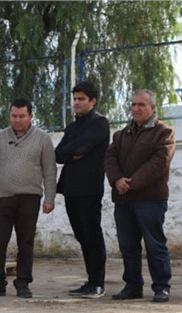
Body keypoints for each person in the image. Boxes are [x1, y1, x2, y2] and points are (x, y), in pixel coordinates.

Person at [104, 89, 175, 302]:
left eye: (141, 105)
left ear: (153, 108)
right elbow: (110, 158)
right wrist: (117, 180)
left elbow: (159, 163)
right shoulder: (121, 134)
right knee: (128, 245)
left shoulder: (164, 132)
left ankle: (161, 286)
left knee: (155, 244)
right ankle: (133, 285)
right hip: (124, 200)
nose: (135, 109)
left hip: (150, 199)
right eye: (133, 104)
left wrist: (131, 183)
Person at [0, 98, 57, 298]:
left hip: (29, 198)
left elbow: (50, 170)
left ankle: (23, 283)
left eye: (22, 116)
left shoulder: (43, 139)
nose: (18, 120)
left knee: (26, 242)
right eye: (14, 116)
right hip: (2, 198)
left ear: (31, 116)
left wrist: (50, 198)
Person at [55, 81, 110, 299]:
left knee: (92, 235)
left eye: (81, 99)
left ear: (92, 101)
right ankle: (90, 280)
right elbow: (59, 154)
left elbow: (80, 148)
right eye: (75, 99)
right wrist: (74, 152)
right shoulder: (73, 126)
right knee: (81, 235)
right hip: (71, 189)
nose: (76, 103)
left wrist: (75, 150)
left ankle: (98, 283)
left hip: (89, 188)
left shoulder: (100, 123)